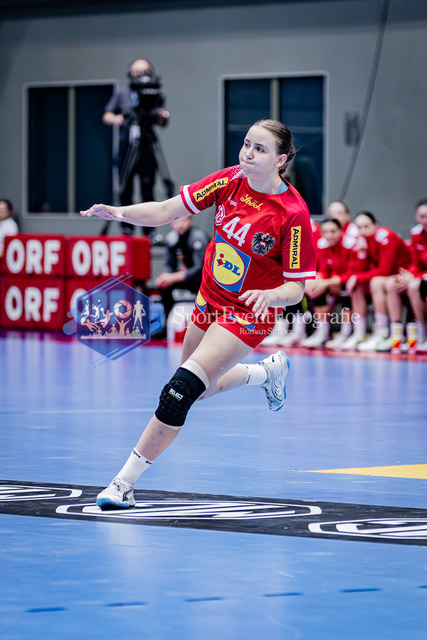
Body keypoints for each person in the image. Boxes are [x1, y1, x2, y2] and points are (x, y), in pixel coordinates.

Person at [80, 119, 317, 509]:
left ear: (281, 160)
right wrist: (118, 213)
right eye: (246, 144)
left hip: (247, 313)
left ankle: (122, 484)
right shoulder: (229, 180)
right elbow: (165, 210)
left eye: (259, 149)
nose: (248, 154)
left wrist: (270, 295)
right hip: (209, 300)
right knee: (201, 389)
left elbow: (296, 289)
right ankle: (266, 373)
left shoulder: (293, 214)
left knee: (179, 392)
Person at [103, 59, 170, 236]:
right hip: (127, 147)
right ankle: (127, 228)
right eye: (137, 72)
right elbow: (107, 115)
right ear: (130, 74)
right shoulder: (122, 93)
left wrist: (161, 116)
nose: (141, 75)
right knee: (125, 189)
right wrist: (118, 119)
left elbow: (161, 120)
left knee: (147, 188)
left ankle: (149, 231)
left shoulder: (154, 93)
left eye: (144, 71)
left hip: (147, 146)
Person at [339, 211, 412, 351]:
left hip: (402, 276)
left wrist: (356, 277)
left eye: (366, 226)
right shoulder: (363, 241)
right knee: (358, 286)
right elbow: (358, 269)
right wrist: (362, 254)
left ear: (375, 224)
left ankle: (387, 333)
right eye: (359, 227)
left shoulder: (386, 236)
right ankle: (359, 334)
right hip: (388, 277)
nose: (363, 231)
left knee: (376, 282)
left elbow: (385, 270)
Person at [300, 218, 366, 349]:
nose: (329, 236)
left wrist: (327, 282)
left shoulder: (350, 244)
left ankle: (346, 333)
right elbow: (324, 269)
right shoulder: (322, 244)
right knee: (315, 286)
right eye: (325, 232)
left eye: (333, 231)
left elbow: (352, 272)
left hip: (352, 282)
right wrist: (319, 280)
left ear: (341, 231)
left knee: (345, 287)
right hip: (334, 281)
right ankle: (322, 332)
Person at [380, 198, 427, 352]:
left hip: (422, 278)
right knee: (392, 284)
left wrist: (415, 277)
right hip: (421, 276)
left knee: (414, 286)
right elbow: (415, 262)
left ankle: (421, 335)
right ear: (416, 217)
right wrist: (408, 274)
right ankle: (396, 336)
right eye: (422, 216)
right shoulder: (416, 234)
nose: (425, 220)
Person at [155, 216, 210, 321]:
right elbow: (169, 265)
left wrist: (174, 277)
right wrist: (164, 277)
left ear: (190, 221)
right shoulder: (172, 239)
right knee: (164, 285)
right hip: (189, 278)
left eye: (183, 221)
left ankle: (204, 321)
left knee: (200, 282)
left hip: (205, 279)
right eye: (176, 222)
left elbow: (199, 267)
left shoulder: (198, 238)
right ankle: (167, 323)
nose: (180, 225)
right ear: (171, 223)